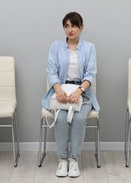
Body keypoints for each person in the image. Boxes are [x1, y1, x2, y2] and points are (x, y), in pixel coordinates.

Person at [42, 12, 100, 178]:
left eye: (74, 25)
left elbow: (90, 74)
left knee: (79, 118)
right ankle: (62, 160)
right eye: (66, 26)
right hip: (60, 92)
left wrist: (78, 91)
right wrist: (59, 90)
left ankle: (74, 160)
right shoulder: (55, 46)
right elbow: (51, 71)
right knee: (60, 119)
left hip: (83, 92)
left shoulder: (89, 48)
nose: (70, 29)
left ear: (81, 27)